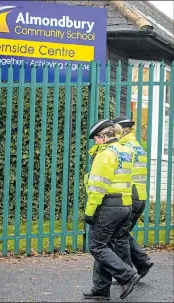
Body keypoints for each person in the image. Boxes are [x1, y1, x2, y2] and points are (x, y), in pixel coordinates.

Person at [83, 119, 140, 301]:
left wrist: (90, 212)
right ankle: (101, 289)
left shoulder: (105, 154)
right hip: (124, 205)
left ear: (102, 137)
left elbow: (98, 186)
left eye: (96, 139)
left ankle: (127, 275)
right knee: (105, 245)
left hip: (108, 206)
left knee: (96, 245)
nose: (95, 142)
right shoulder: (126, 151)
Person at [112, 116, 153, 277]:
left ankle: (127, 274)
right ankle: (142, 262)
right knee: (124, 231)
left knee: (119, 235)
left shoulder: (124, 148)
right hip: (140, 195)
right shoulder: (137, 146)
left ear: (120, 131)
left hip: (130, 194)